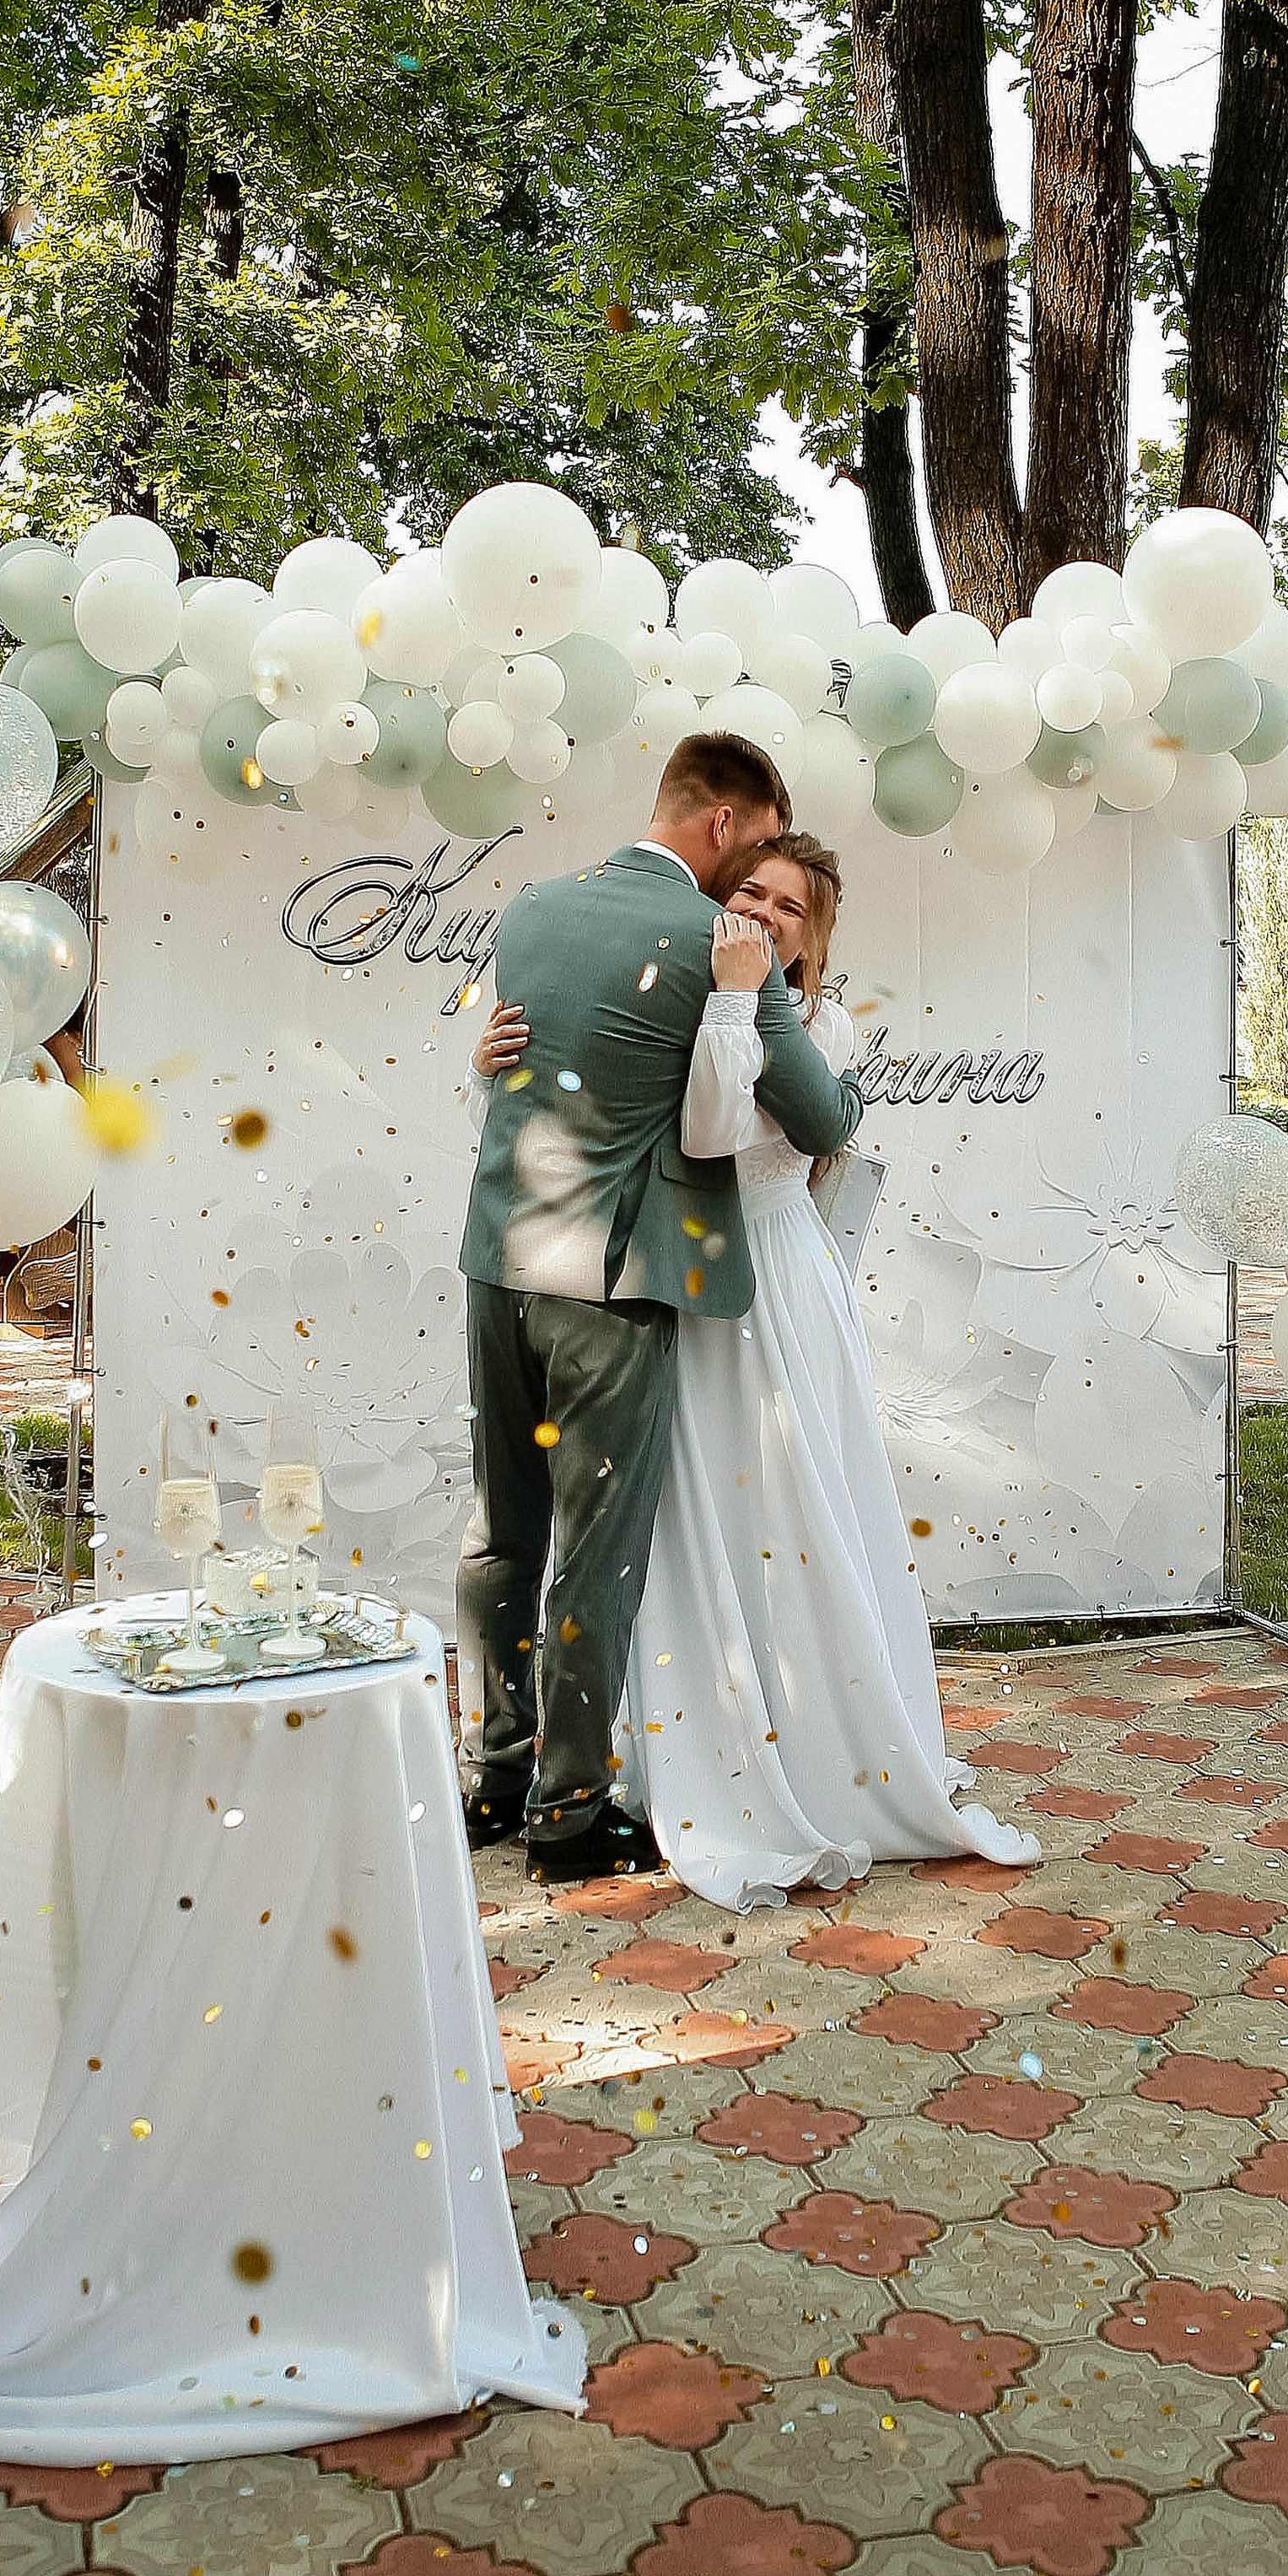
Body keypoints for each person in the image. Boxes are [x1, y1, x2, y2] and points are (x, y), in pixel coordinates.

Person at [476, 833, 1038, 1912]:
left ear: (812, 938)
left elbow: (714, 1131)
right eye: (751, 892)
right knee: (673, 1523)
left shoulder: (818, 1024)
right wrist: (488, 1067)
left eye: (791, 907)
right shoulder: (678, 999)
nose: (767, 915)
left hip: (773, 1283)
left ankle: (811, 1742)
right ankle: (671, 1741)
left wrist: (739, 1002)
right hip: (675, 1288)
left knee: (791, 1505)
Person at [456, 736, 862, 1885]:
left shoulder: (533, 909)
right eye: (761, 839)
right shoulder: (720, 944)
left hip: (497, 1260)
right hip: (611, 1286)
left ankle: (492, 1777)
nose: (759, 875)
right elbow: (822, 1120)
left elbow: (533, 1067)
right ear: (725, 822)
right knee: (595, 1550)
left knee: (500, 1534)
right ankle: (569, 1812)